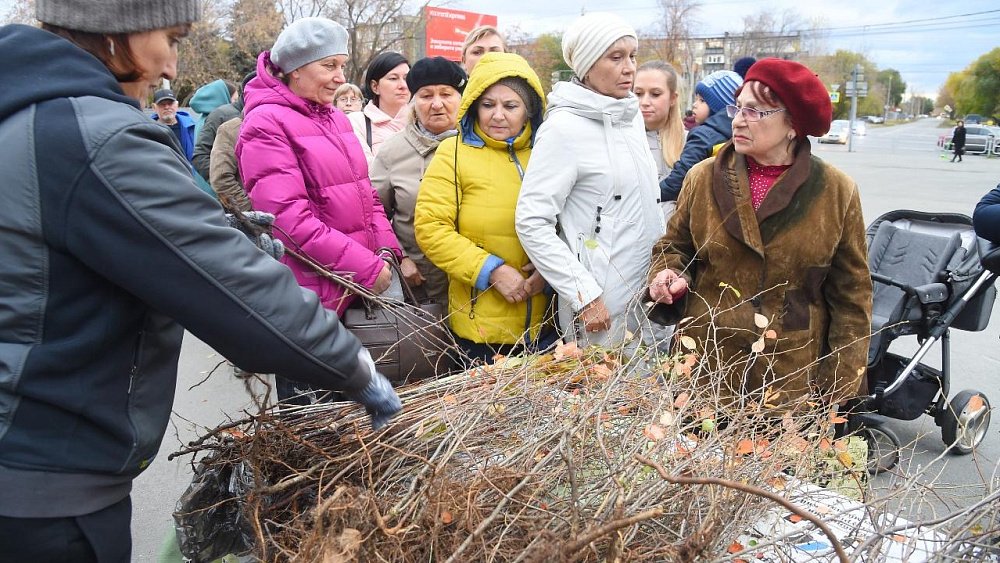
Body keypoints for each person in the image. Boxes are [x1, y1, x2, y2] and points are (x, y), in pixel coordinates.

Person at [0, 2, 400, 560]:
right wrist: (354, 367)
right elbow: (232, 288)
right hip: (44, 476)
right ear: (120, 33)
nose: (170, 66)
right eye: (170, 37)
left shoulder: (27, 116)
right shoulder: (95, 137)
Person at [646, 58, 872, 409]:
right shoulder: (703, 177)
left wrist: (840, 387)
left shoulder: (836, 191)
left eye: (755, 112)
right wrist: (668, 273)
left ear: (793, 124)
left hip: (789, 371)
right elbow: (674, 245)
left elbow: (852, 297)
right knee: (691, 461)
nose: (737, 120)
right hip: (706, 362)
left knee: (774, 464)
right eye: (738, 107)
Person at [237, 17, 405, 403]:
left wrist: (386, 251)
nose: (339, 77)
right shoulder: (265, 123)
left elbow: (368, 197)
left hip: (355, 293)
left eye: (342, 66)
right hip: (313, 304)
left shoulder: (334, 119)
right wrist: (366, 268)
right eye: (328, 66)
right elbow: (288, 223)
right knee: (317, 433)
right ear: (295, 70)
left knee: (362, 434)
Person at [515, 13, 664, 347]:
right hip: (601, 309)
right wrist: (584, 293)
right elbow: (531, 221)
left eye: (632, 55)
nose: (629, 67)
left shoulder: (630, 116)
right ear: (586, 64)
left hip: (650, 296)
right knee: (605, 396)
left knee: (652, 391)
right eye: (616, 57)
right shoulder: (563, 129)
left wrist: (664, 270)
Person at [415, 52, 549, 363]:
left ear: (529, 111)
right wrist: (492, 271)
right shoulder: (454, 153)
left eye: (510, 106)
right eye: (488, 105)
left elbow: (568, 222)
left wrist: (550, 270)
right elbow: (431, 228)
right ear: (474, 105)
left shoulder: (547, 153)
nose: (497, 115)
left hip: (548, 325)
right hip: (480, 332)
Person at [371, 57, 467, 305]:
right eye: (426, 95)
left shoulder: (478, 146)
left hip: (478, 284)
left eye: (446, 94)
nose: (437, 104)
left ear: (461, 98)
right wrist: (399, 257)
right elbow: (373, 213)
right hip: (422, 286)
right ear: (414, 101)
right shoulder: (393, 152)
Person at [659, 70, 742, 206]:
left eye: (702, 100)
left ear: (721, 107)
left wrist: (655, 193)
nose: (694, 104)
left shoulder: (703, 136)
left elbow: (680, 178)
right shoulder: (739, 135)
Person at [349, 51, 410, 162]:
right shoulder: (357, 122)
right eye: (393, 78)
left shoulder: (422, 123)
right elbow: (366, 169)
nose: (403, 86)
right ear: (375, 86)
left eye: (406, 78)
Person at [209, 75, 256, 212]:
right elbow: (221, 179)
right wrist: (250, 211)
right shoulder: (230, 129)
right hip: (254, 223)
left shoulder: (290, 124)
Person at [634, 60, 685, 184]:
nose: (645, 102)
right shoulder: (621, 142)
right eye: (638, 93)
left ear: (672, 98)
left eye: (655, 94)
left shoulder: (691, 144)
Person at [192, 75, 251, 181]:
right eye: (234, 98)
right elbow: (201, 155)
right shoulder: (221, 116)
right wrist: (224, 183)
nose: (235, 102)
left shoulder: (204, 116)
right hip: (220, 191)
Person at [151, 88, 196, 161]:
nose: (167, 107)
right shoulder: (148, 130)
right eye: (162, 104)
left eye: (170, 103)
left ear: (177, 105)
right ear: (154, 107)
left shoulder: (191, 127)